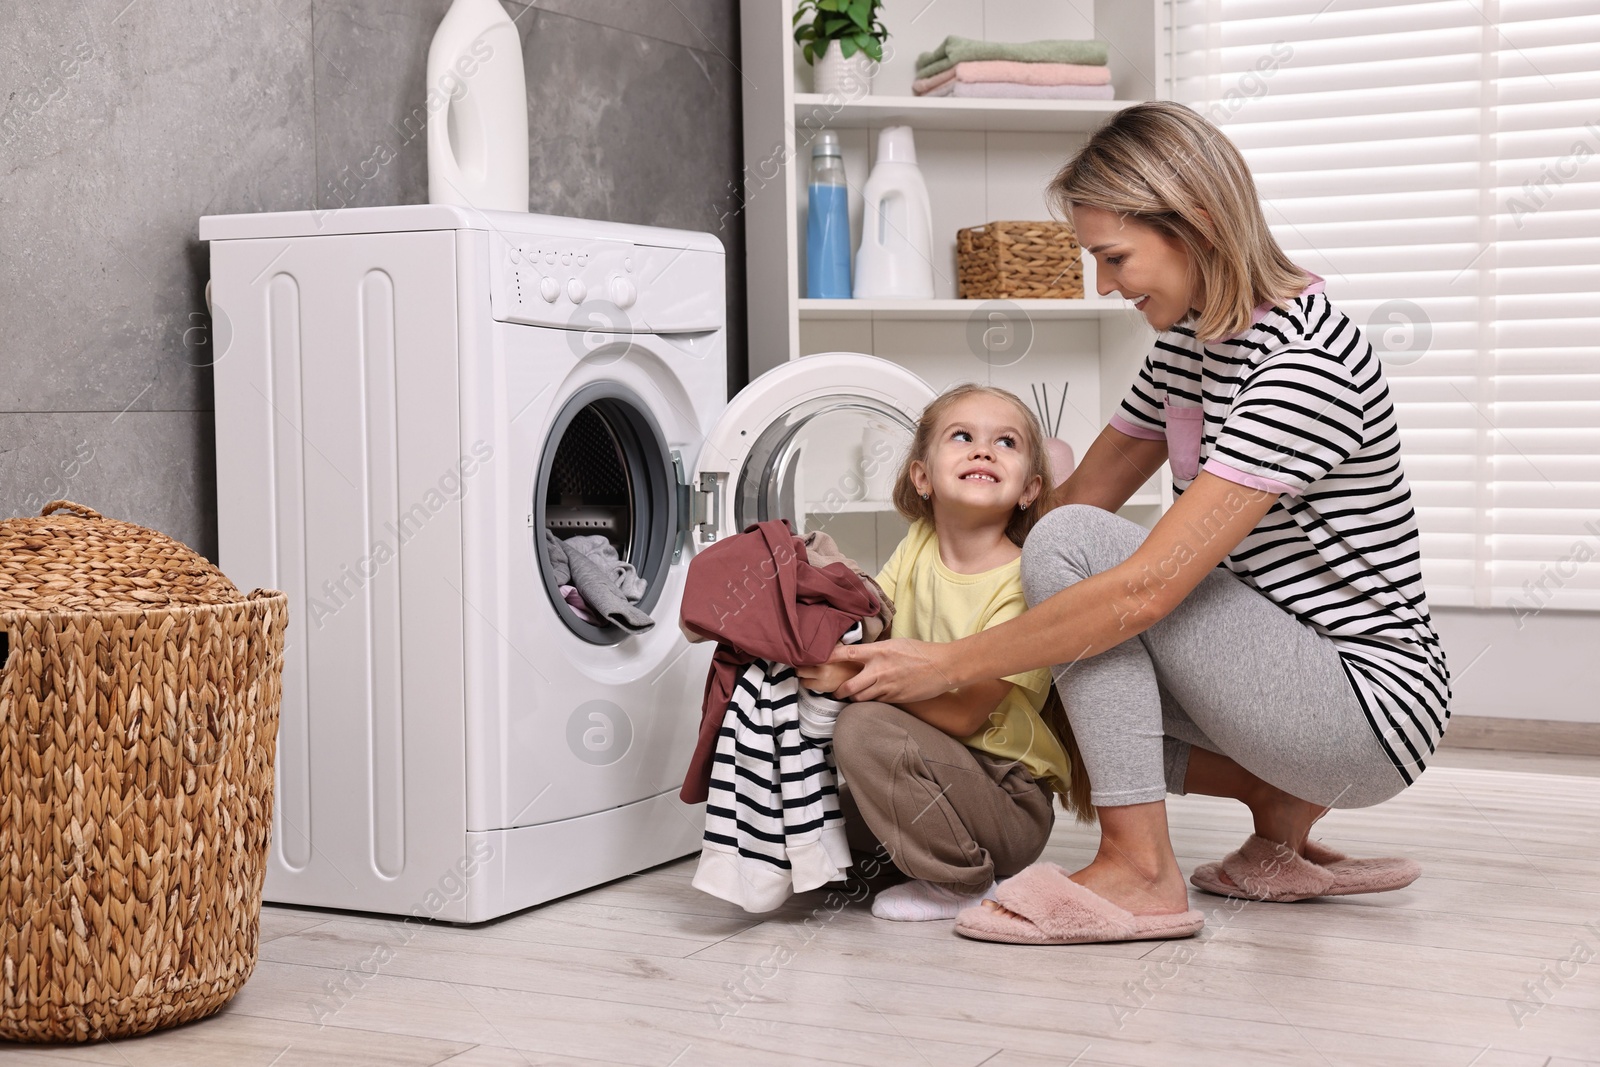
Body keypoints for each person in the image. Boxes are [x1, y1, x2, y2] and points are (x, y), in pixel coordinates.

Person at [828, 101, 1450, 945]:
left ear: (1193, 222)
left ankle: (1142, 872)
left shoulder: (1308, 362)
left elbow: (1139, 582)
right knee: (1053, 621)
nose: (1105, 285)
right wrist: (902, 592)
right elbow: (1072, 501)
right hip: (1279, 679)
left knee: (1074, 578)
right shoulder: (1192, 344)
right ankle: (1275, 810)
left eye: (1114, 258)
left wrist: (946, 662)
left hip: (1364, 707)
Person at [797, 383, 1087, 922]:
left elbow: (964, 711)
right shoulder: (918, 546)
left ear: (1029, 489)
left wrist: (845, 680)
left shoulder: (1026, 580)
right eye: (962, 436)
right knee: (823, 832)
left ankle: (961, 883)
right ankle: (916, 861)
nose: (983, 450)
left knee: (862, 727)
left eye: (1006, 442)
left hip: (1007, 799)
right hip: (939, 778)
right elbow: (873, 624)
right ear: (922, 476)